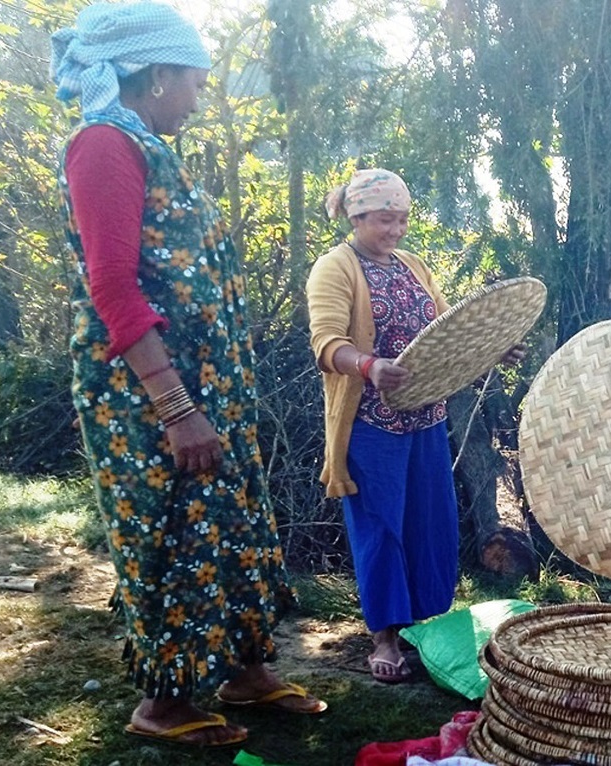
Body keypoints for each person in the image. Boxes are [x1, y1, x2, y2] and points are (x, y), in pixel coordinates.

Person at [51, 1, 325, 748]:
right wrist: (175, 407)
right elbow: (113, 285)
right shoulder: (103, 145)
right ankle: (164, 705)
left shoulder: (145, 142)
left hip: (206, 387)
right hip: (145, 397)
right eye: (195, 83)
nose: (200, 98)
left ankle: (247, 672)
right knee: (174, 534)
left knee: (232, 521)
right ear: (158, 74)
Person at [307, 169, 522, 684]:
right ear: (357, 217)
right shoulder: (334, 269)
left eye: (402, 219)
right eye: (385, 219)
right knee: (381, 528)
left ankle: (424, 626)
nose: (397, 229)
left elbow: (447, 334)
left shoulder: (413, 265)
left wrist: (491, 347)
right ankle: (384, 635)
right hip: (370, 422)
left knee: (432, 522)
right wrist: (369, 366)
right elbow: (325, 343)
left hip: (426, 416)